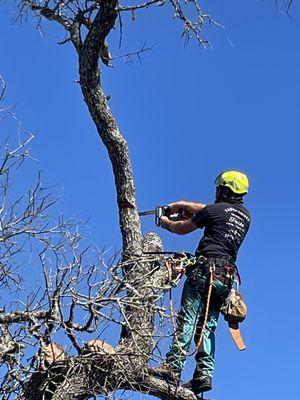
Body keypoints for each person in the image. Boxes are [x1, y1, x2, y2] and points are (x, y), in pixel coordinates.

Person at [155, 170, 251, 394]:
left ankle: (172, 367)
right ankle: (204, 374)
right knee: (207, 327)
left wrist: (166, 222)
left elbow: (183, 228)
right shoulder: (245, 216)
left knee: (187, 320)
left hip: (204, 271)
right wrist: (181, 204)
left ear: (224, 189)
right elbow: (209, 210)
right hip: (225, 278)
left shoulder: (214, 210)